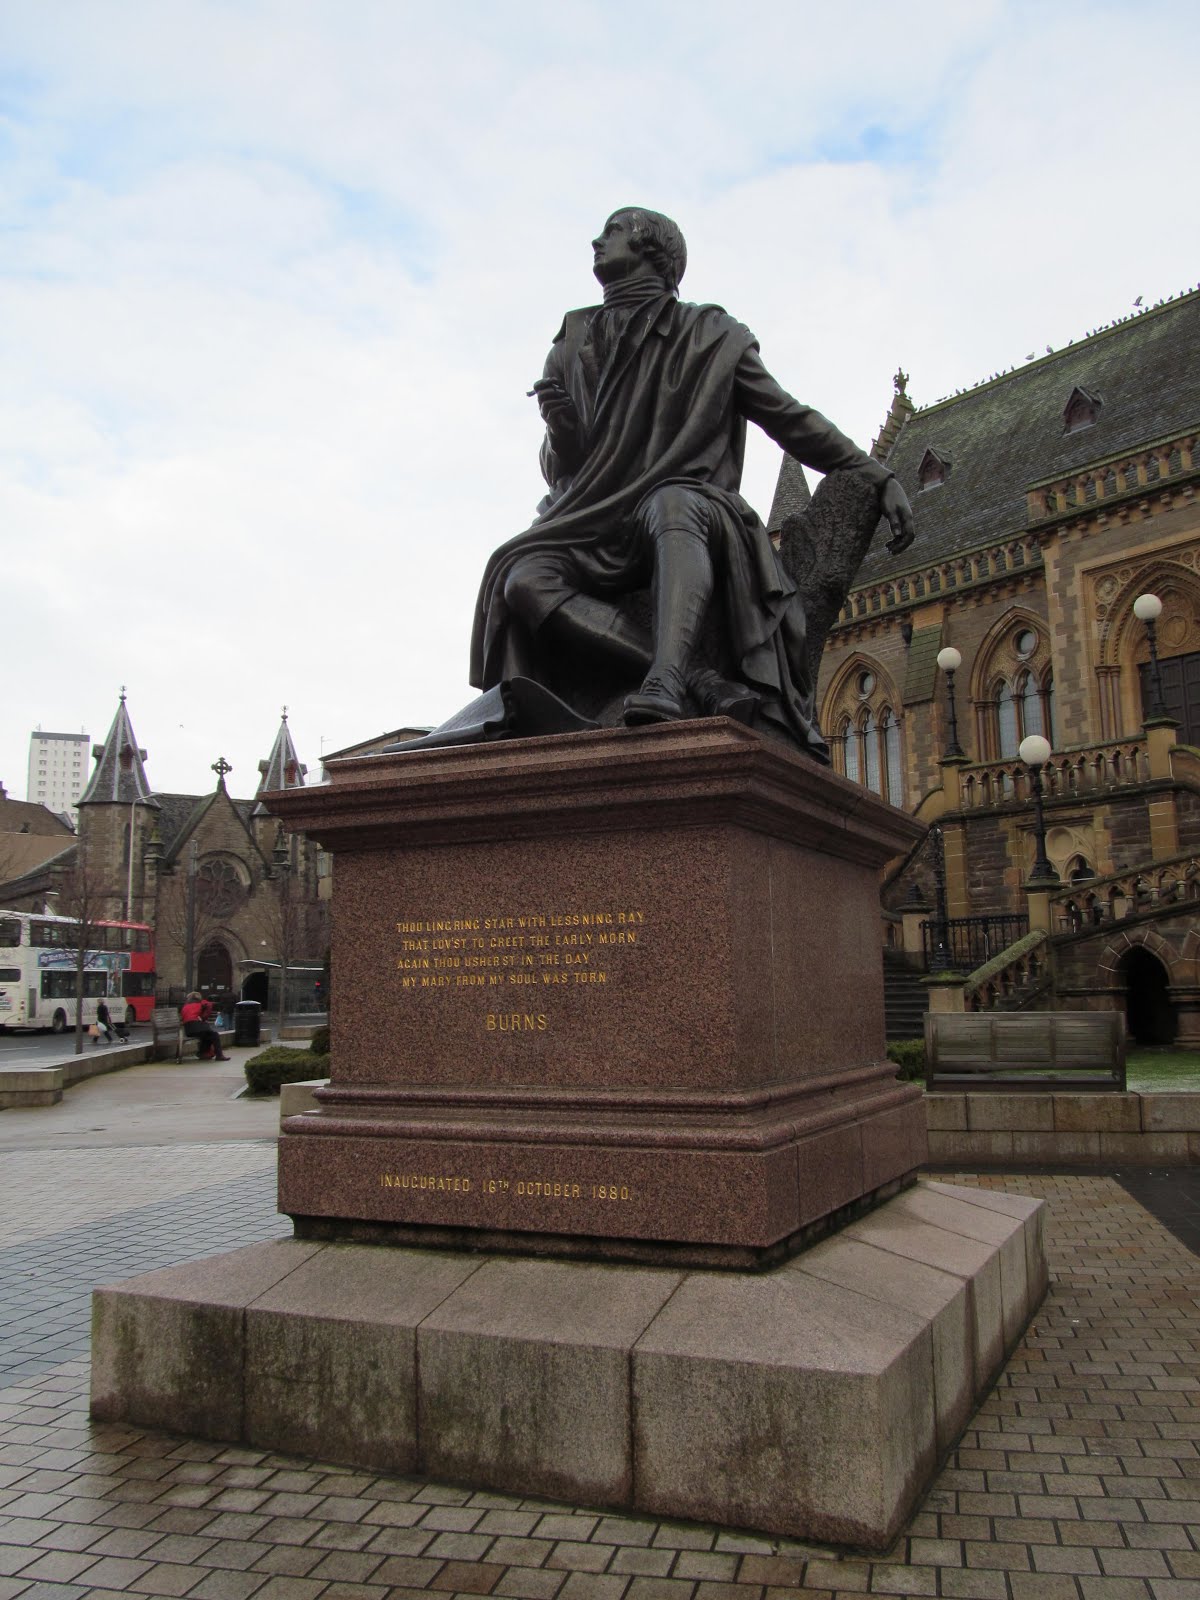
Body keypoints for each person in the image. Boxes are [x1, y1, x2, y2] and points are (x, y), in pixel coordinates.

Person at [470, 207, 915, 758]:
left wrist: (874, 472)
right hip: (591, 521)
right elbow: (562, 469)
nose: (596, 240)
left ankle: (666, 679)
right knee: (522, 577)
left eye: (613, 232)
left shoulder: (711, 336)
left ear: (654, 248)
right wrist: (561, 432)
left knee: (673, 501)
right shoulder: (572, 342)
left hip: (686, 511)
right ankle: (700, 678)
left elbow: (787, 417)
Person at [181, 991, 229, 1061]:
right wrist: (203, 1017)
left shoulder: (185, 1006)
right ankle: (219, 1055)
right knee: (214, 1035)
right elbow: (209, 1004)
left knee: (206, 1035)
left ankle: (203, 1053)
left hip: (188, 1028)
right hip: (196, 1024)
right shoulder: (200, 1002)